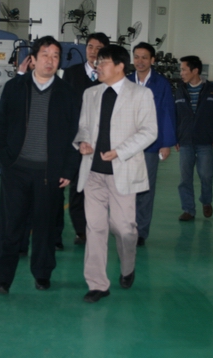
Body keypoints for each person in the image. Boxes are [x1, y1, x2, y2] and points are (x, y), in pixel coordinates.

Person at [0, 36, 80, 294]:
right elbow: (0, 125)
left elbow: (75, 134)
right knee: (10, 227)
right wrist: (4, 158)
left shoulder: (67, 93)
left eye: (55, 56)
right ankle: (2, 279)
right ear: (32, 59)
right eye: (45, 55)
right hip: (16, 170)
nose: (50, 61)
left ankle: (42, 274)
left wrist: (68, 169)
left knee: (45, 228)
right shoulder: (15, 87)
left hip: (48, 173)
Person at [74, 44, 157, 303]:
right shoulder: (91, 93)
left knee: (124, 229)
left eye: (103, 62)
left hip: (123, 172)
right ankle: (97, 284)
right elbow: (83, 127)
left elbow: (149, 131)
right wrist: (82, 142)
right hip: (93, 173)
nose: (97, 66)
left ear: (120, 66)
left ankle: (128, 266)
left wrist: (120, 151)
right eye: (97, 62)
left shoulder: (141, 95)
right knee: (95, 228)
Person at [61, 32, 109, 246]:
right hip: (77, 139)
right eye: (90, 46)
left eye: (99, 48)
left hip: (103, 140)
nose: (93, 51)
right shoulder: (71, 73)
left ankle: (98, 226)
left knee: (101, 185)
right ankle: (81, 230)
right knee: (78, 186)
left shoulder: (109, 76)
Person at [126, 42, 176, 246]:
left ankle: (141, 232)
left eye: (144, 57)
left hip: (150, 145)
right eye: (136, 57)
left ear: (152, 60)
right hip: (127, 145)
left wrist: (166, 143)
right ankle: (126, 228)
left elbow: (167, 113)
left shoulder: (161, 84)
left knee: (145, 189)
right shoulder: (125, 82)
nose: (140, 61)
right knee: (126, 189)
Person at [175, 56, 213, 222]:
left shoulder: (212, 91)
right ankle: (188, 209)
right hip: (185, 140)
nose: (181, 73)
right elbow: (175, 116)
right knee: (185, 178)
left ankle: (206, 201)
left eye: (184, 69)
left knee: (206, 175)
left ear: (195, 70)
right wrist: (174, 137)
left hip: (205, 141)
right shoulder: (180, 91)